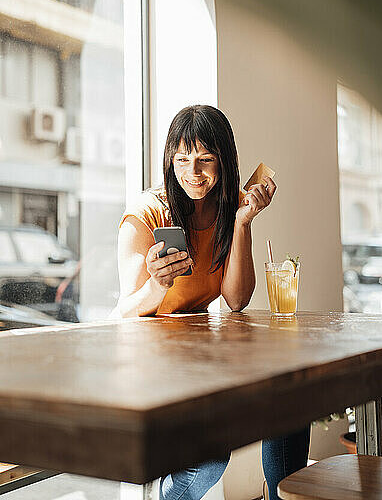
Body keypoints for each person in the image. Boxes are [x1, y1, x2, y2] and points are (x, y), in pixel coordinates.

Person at [114, 105, 310, 500]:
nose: (193, 172)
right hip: (151, 360)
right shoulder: (146, 214)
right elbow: (125, 313)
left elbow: (236, 299)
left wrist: (242, 222)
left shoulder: (229, 208)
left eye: (205, 159)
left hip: (202, 357)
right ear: (170, 160)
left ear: (226, 159)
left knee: (290, 406)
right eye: (182, 159)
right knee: (211, 456)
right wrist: (157, 284)